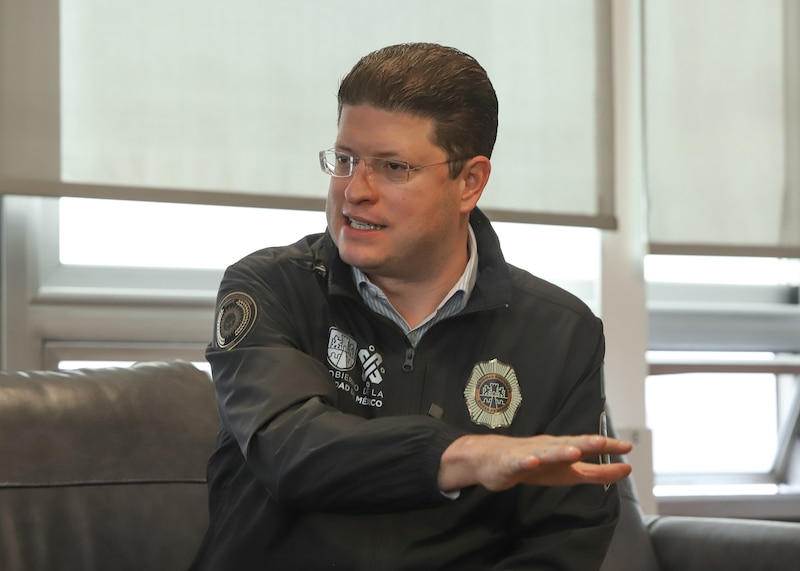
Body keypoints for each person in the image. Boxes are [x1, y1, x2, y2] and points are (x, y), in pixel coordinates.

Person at [190, 42, 632, 571]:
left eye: (393, 167)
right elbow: (290, 448)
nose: (355, 190)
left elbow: (564, 537)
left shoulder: (563, 333)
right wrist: (460, 455)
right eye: (346, 160)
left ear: (469, 181)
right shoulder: (269, 286)